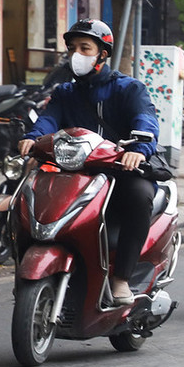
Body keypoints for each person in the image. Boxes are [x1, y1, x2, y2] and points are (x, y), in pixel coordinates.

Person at [17, 19, 160, 305]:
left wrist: (139, 149)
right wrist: (33, 138)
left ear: (102, 54)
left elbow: (145, 120)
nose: (76, 54)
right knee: (25, 196)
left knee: (139, 196)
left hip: (120, 170)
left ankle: (121, 278)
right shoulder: (65, 92)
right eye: (72, 48)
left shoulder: (128, 88)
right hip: (74, 171)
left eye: (85, 48)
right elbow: (48, 120)